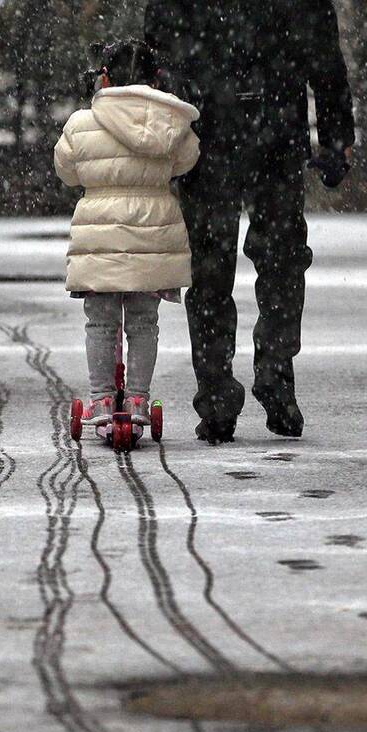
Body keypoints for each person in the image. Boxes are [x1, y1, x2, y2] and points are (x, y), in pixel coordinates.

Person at [145, 0, 355, 444]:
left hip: (210, 134)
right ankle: (274, 377)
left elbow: (158, 54)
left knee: (211, 270)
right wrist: (337, 138)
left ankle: (220, 398)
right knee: (279, 261)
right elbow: (325, 58)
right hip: (272, 131)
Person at [53, 39, 200, 428]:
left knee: (100, 322)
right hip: (153, 233)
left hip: (99, 234)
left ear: (105, 77)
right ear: (156, 78)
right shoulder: (169, 123)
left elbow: (67, 171)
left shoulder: (81, 124)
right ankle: (137, 399)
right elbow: (188, 160)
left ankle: (101, 399)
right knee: (143, 322)